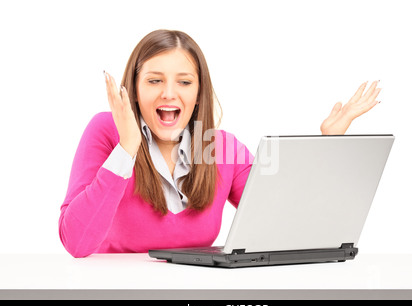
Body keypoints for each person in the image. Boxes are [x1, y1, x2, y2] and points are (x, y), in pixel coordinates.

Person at [59, 29, 381, 258]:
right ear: (134, 87)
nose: (169, 93)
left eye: (184, 82)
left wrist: (326, 145)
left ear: (198, 93)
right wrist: (127, 147)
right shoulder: (107, 131)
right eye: (154, 80)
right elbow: (76, 242)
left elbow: (287, 218)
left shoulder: (220, 147)